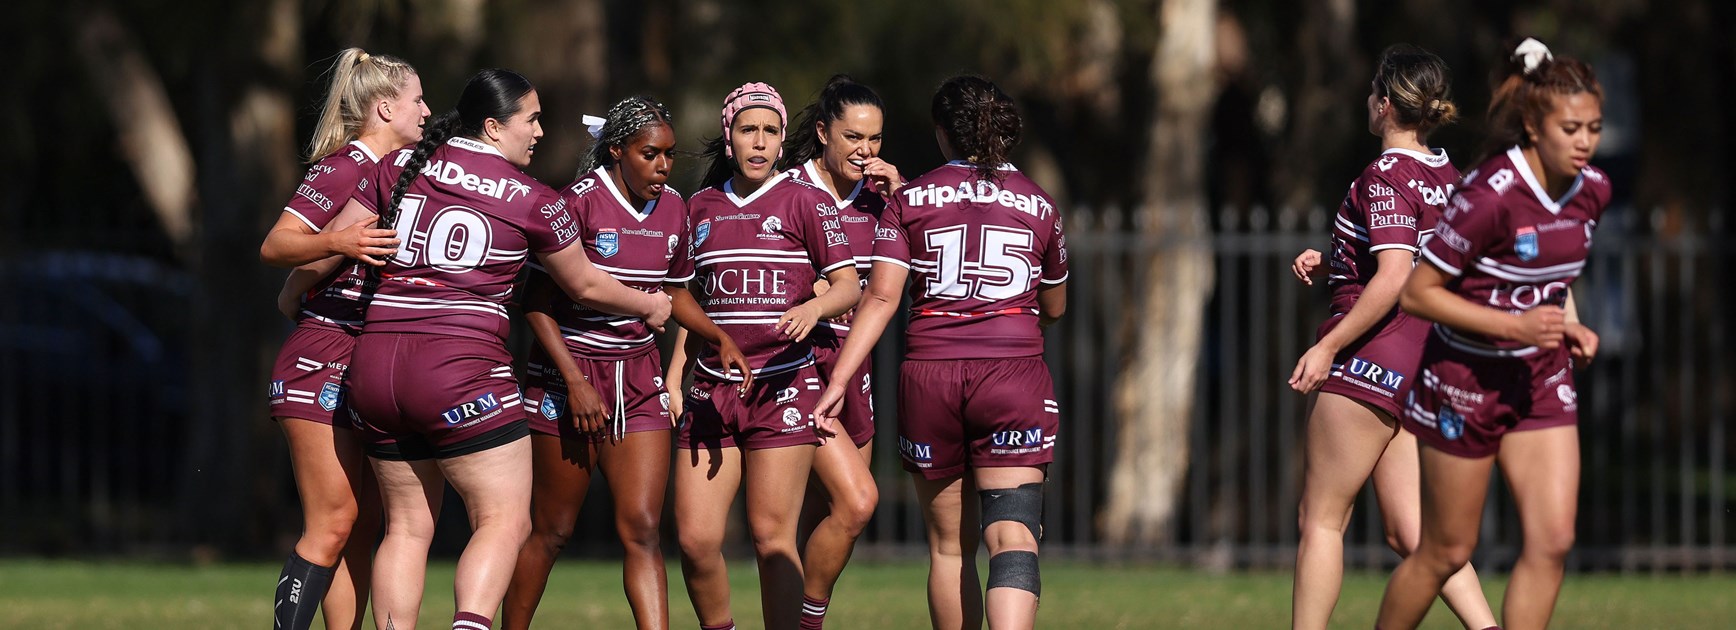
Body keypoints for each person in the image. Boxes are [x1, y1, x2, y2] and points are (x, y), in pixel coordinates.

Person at [342, 68, 673, 630]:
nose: (541, 131)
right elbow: (585, 284)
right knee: (503, 520)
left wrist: (295, 297)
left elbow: (342, 240)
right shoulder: (534, 198)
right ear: (494, 127)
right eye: (532, 119)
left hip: (374, 367)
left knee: (405, 527)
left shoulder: (402, 164)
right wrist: (648, 305)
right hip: (457, 369)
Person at [813, 74, 1067, 630]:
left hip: (931, 376)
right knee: (1013, 537)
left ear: (941, 133)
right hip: (1012, 375)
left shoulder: (909, 199)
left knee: (950, 548)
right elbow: (1055, 304)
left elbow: (879, 297)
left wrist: (838, 380)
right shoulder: (1040, 202)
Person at [1376, 38, 1608, 630]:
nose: (1585, 142)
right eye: (1571, 128)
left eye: (1595, 128)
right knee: (1444, 551)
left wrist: (1571, 324)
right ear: (1533, 125)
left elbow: (1548, 276)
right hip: (1464, 380)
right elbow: (1417, 293)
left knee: (1553, 539)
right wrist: (1516, 324)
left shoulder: (1592, 191)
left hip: (1540, 376)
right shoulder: (1488, 196)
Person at [501, 95, 750, 630]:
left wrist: (717, 335)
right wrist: (574, 382)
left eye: (668, 155)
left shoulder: (674, 208)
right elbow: (535, 305)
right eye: (649, 154)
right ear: (616, 150)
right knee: (553, 529)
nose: (662, 167)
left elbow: (675, 293)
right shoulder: (578, 202)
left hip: (638, 376)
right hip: (568, 376)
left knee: (642, 528)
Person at [1285, 45, 1497, 630]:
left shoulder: (1386, 172)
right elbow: (1427, 260)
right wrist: (1337, 262)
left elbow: (1396, 276)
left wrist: (1327, 346)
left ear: (1383, 103)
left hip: (1375, 353)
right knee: (1411, 532)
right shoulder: (1449, 176)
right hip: (1425, 361)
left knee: (1322, 519)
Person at [668, 82, 860, 630]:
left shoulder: (805, 200)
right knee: (696, 540)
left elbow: (848, 286)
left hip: (783, 387)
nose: (759, 142)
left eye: (770, 132)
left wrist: (815, 309)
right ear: (728, 139)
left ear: (782, 142)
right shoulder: (697, 207)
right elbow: (685, 295)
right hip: (711, 389)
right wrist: (675, 373)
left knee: (772, 539)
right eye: (747, 130)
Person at [256, 47, 424, 630]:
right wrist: (338, 243)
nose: (427, 111)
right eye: (417, 100)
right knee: (331, 521)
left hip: (366, 358)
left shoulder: (402, 174)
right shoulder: (343, 167)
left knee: (362, 522)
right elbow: (276, 245)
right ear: (384, 108)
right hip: (320, 355)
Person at [778, 74, 905, 628]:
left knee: (833, 514)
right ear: (824, 132)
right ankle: (804, 620)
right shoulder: (786, 189)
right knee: (856, 502)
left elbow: (920, 273)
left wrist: (904, 198)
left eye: (875, 140)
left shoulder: (884, 201)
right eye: (854, 137)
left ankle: (799, 617)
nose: (866, 151)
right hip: (797, 365)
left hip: (855, 367)